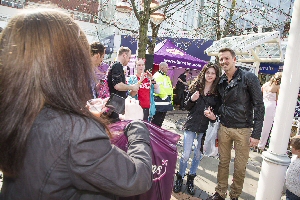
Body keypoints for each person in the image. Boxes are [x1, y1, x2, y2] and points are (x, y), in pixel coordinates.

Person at [0, 9, 152, 199]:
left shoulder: (15, 111)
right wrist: (136, 123)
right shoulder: (76, 133)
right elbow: (138, 177)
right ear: (69, 61)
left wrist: (84, 113)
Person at [208, 48, 264, 200]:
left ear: (234, 59)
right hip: (224, 128)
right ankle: (220, 192)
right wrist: (215, 115)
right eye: (221, 59)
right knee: (223, 163)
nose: (223, 62)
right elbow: (219, 102)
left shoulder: (248, 78)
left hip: (243, 130)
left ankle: (234, 195)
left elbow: (259, 106)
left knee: (240, 167)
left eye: (226, 58)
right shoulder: (221, 81)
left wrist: (256, 134)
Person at [173, 63, 221, 195]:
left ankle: (190, 179)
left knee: (198, 155)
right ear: (204, 73)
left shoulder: (217, 93)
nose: (210, 75)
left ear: (216, 75)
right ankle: (179, 177)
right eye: (208, 72)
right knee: (186, 154)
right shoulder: (195, 87)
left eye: (213, 73)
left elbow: (217, 113)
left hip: (205, 129)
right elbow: (186, 106)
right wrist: (192, 100)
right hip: (191, 124)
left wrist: (212, 116)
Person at [257, 72, 282, 153]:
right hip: (271, 106)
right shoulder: (278, 87)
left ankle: (256, 142)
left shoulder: (265, 84)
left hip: (263, 104)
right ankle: (261, 145)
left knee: (259, 124)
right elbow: (278, 100)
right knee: (266, 127)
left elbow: (259, 93)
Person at [151, 62, 173, 127]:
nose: (168, 68)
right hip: (160, 102)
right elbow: (157, 88)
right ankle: (154, 135)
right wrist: (165, 97)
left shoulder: (165, 76)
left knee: (160, 121)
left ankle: (157, 134)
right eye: (166, 67)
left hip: (165, 102)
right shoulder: (157, 76)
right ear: (161, 67)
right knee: (156, 121)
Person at [285, 135, 300, 200]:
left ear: (298, 150)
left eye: (292, 147)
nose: (290, 148)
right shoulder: (294, 157)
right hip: (289, 189)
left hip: (296, 194)